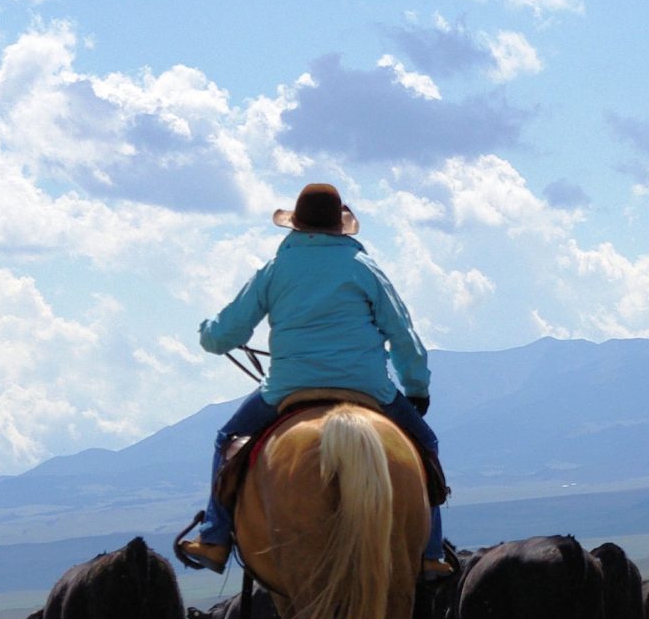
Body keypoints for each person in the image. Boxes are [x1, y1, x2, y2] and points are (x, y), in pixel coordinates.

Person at [175, 182, 451, 577]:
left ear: (296, 226)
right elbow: (403, 336)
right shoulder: (365, 269)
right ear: (340, 227)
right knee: (426, 443)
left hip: (288, 388)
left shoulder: (275, 270)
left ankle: (215, 539)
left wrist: (207, 331)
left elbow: (223, 337)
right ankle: (429, 553)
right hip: (368, 387)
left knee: (226, 441)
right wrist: (417, 389)